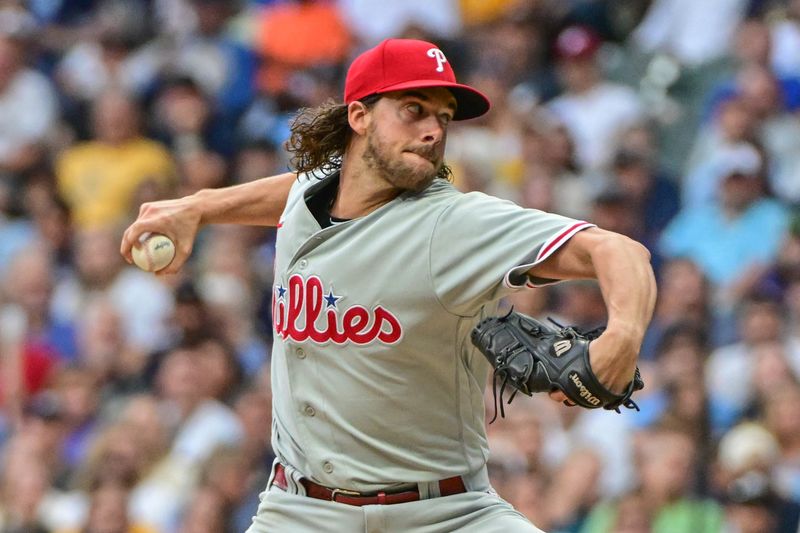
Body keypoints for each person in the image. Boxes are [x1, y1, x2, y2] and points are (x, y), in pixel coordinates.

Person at [121, 38, 657, 532]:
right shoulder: (311, 198)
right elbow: (297, 191)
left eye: (443, 118)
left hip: (443, 513)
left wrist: (624, 334)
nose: (433, 131)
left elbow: (618, 250)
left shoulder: (455, 225)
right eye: (413, 110)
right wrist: (198, 207)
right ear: (358, 116)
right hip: (300, 511)